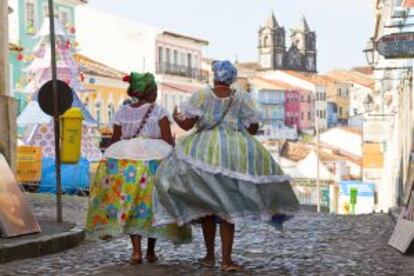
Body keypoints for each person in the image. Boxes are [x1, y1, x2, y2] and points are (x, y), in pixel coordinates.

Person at [152, 60, 299, 272]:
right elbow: (253, 129)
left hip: (203, 153)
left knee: (208, 207)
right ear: (232, 78)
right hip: (236, 155)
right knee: (228, 208)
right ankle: (227, 260)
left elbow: (187, 124)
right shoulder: (243, 98)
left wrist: (176, 115)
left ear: (215, 76)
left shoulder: (201, 96)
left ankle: (210, 255)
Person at [86, 72, 191, 265]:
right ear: (151, 93)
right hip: (153, 163)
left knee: (131, 206)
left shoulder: (121, 112)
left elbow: (114, 139)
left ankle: (136, 252)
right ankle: (151, 251)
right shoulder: (159, 111)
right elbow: (167, 140)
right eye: (156, 91)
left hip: (125, 163)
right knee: (150, 207)